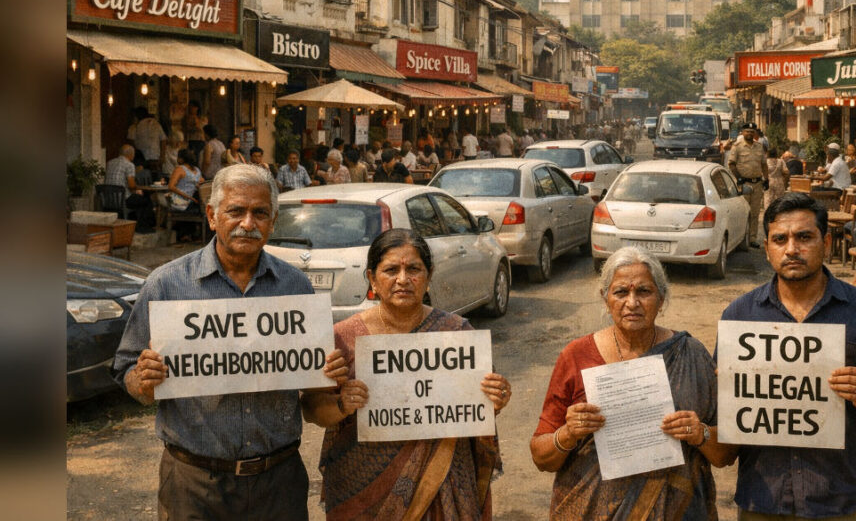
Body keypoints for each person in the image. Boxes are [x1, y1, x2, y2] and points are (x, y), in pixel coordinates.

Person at [112, 165, 351, 520]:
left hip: (279, 482)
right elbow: (128, 370)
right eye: (236, 211)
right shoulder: (165, 285)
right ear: (212, 216)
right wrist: (143, 380)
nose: (248, 223)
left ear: (273, 221)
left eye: (260, 213)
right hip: (193, 485)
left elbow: (312, 387)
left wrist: (327, 373)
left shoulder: (295, 286)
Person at [712, 192, 856, 520]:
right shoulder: (740, 315)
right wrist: (725, 393)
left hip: (842, 500)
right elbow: (723, 430)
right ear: (767, 249)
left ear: (826, 241)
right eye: (780, 239)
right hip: (764, 501)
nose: (792, 249)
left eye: (804, 237)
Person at [302, 228, 510, 520]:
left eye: (413, 269)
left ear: (428, 276)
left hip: (442, 485)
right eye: (390, 270)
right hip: (363, 489)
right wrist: (341, 404)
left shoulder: (456, 333)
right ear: (372, 278)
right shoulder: (344, 338)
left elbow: (479, 406)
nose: (403, 279)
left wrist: (496, 397)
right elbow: (311, 409)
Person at [530, 247, 731, 519]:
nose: (632, 302)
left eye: (644, 292)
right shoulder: (576, 355)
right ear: (605, 299)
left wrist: (700, 434)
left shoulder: (690, 354)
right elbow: (542, 458)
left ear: (661, 299)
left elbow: (726, 454)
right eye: (621, 292)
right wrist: (568, 433)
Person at [728, 122, 769, 248]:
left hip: (757, 183)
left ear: (755, 133)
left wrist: (766, 179)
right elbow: (731, 164)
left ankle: (752, 238)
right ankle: (740, 239)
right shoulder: (737, 146)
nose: (750, 134)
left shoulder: (759, 146)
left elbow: (764, 164)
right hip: (743, 184)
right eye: (747, 131)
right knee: (743, 212)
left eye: (752, 132)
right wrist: (738, 178)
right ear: (743, 132)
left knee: (755, 212)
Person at [104, 144, 156, 233]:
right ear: (131, 154)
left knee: (139, 198)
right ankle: (143, 227)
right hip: (123, 199)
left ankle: (135, 223)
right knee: (146, 201)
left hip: (109, 199)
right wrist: (138, 189)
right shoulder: (129, 165)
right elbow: (131, 185)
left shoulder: (110, 162)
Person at [166, 148, 205, 241]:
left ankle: (184, 234)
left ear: (181, 159)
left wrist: (188, 197)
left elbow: (171, 186)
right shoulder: (197, 170)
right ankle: (188, 234)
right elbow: (202, 182)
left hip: (181, 201)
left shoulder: (180, 169)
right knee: (195, 204)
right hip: (193, 202)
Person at [128, 106, 168, 174]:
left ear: (137, 116)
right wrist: (162, 156)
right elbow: (163, 140)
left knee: (142, 178)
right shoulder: (156, 124)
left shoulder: (134, 127)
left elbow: (131, 142)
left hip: (142, 159)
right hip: (156, 157)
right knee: (156, 178)